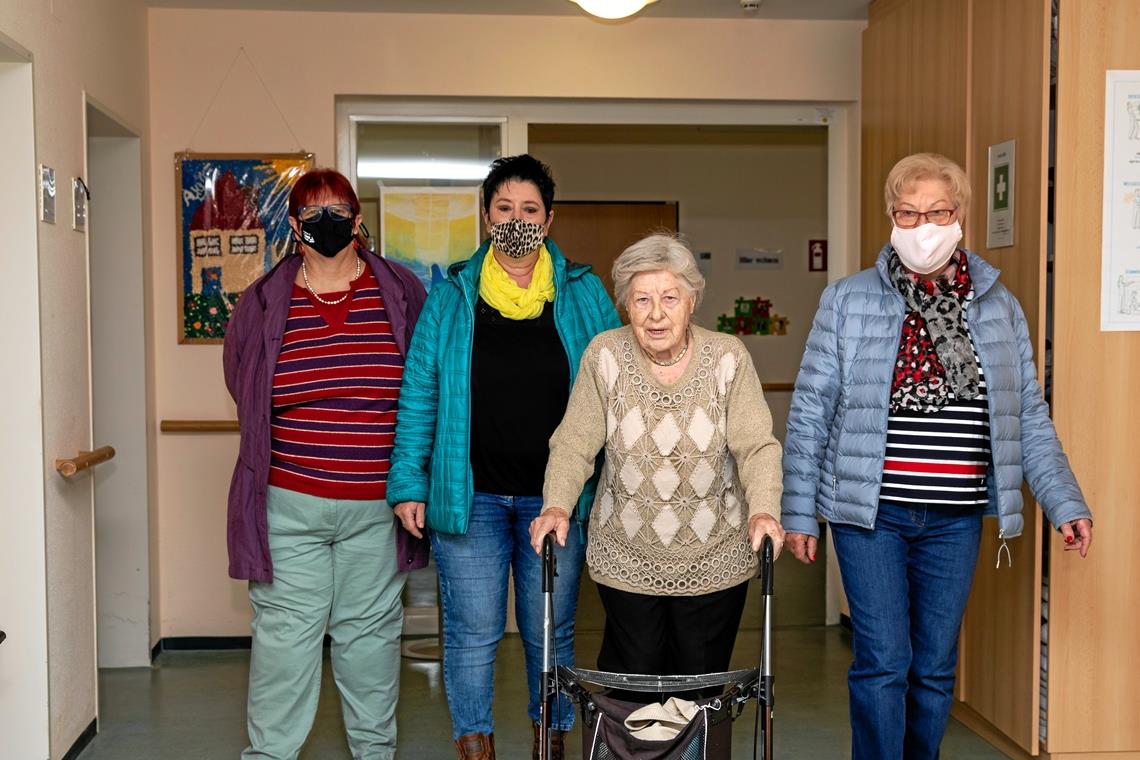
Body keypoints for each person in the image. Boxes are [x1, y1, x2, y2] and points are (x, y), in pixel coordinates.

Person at [781, 152, 1094, 760]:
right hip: (870, 515)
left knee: (932, 668)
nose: (922, 224)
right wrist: (798, 512)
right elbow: (811, 410)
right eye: (908, 212)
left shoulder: (999, 307)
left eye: (937, 211)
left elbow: (1025, 414)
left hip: (954, 517)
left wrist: (1064, 501)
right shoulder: (848, 300)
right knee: (882, 662)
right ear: (891, 218)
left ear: (961, 219)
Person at [387, 154, 620, 760]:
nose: (517, 220)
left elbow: (619, 386)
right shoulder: (451, 297)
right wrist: (409, 482)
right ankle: (476, 745)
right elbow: (419, 393)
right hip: (473, 500)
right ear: (487, 216)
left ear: (550, 218)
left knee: (552, 633)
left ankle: (552, 742)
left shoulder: (583, 291)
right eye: (504, 209)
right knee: (471, 635)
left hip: (559, 502)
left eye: (530, 210)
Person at [223, 168, 426, 760]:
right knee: (285, 646)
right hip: (289, 506)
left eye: (340, 210)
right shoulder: (262, 302)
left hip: (376, 508)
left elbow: (425, 386)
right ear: (293, 225)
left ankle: (374, 753)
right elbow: (245, 382)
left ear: (359, 221)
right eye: (314, 213)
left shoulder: (403, 292)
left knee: (370, 647)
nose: (328, 222)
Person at [531, 233, 784, 693]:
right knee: (633, 687)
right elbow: (573, 442)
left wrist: (764, 509)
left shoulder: (727, 357)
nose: (656, 313)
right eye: (642, 299)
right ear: (625, 305)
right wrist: (556, 505)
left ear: (692, 300)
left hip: (715, 557)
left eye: (670, 297)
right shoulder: (604, 355)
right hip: (627, 553)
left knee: (698, 688)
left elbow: (757, 446)